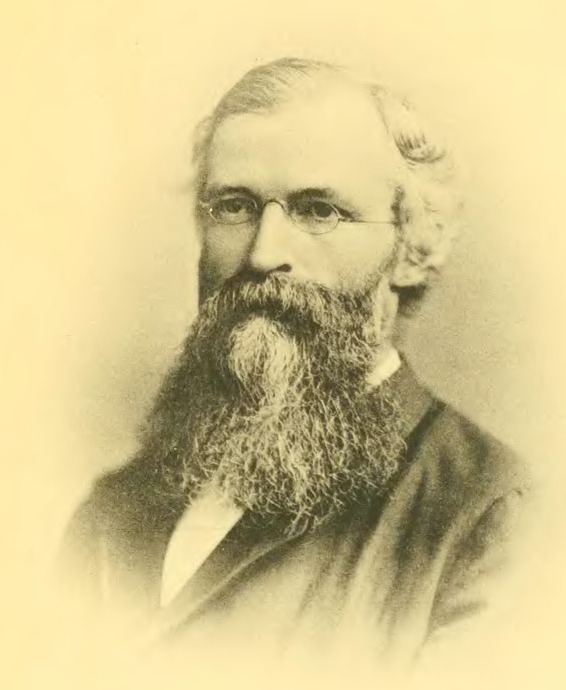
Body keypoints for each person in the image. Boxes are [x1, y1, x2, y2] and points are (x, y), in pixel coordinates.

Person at [61, 57, 531, 674]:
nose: (263, 254)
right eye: (234, 206)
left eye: (319, 211)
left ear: (412, 250)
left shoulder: (490, 519)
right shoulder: (114, 509)